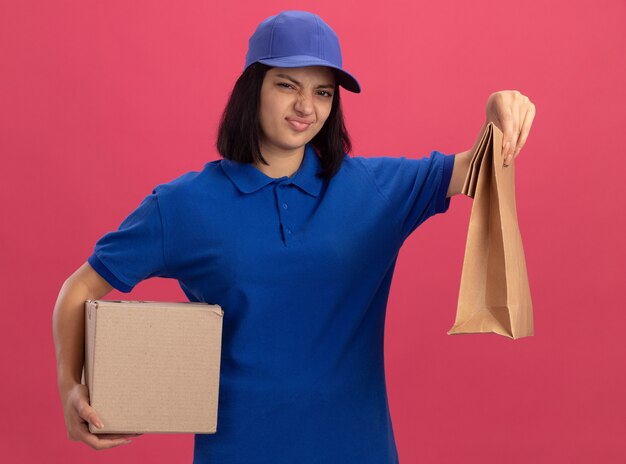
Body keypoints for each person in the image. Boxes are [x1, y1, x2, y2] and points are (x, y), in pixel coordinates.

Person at [52, 9, 535, 463]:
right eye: (287, 85)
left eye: (323, 92)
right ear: (252, 88)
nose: (306, 106)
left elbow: (481, 166)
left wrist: (498, 110)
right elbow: (79, 290)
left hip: (359, 450)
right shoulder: (183, 205)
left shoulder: (373, 189)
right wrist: (70, 388)